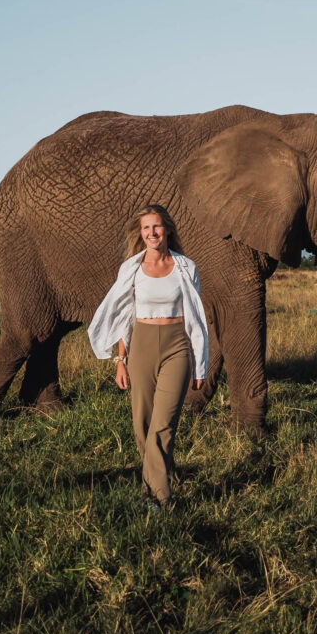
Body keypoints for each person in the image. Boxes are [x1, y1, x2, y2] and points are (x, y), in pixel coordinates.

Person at [88, 205, 208, 513]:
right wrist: (120, 360)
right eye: (146, 229)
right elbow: (124, 317)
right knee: (142, 424)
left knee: (163, 424)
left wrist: (201, 363)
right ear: (140, 234)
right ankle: (159, 477)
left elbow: (197, 317)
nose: (151, 233)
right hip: (140, 344)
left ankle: (159, 499)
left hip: (177, 345)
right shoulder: (131, 268)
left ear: (167, 229)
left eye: (156, 227)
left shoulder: (186, 267)